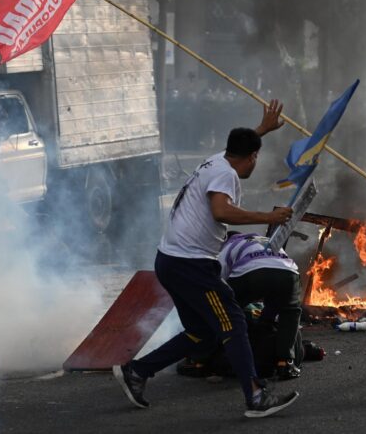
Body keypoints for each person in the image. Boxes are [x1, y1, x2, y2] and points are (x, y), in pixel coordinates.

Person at [113, 100, 300, 418]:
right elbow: (221, 211)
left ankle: (137, 371)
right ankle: (255, 396)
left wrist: (262, 129)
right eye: (256, 155)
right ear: (251, 157)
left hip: (170, 260)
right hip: (191, 266)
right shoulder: (226, 175)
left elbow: (242, 147)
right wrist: (268, 216)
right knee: (234, 321)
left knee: (203, 330)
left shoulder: (217, 161)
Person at [218, 232, 302, 380]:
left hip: (252, 274)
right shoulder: (266, 239)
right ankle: (286, 362)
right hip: (289, 273)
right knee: (289, 313)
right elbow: (275, 271)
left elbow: (219, 278)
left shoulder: (230, 244)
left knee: (229, 311)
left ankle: (228, 359)